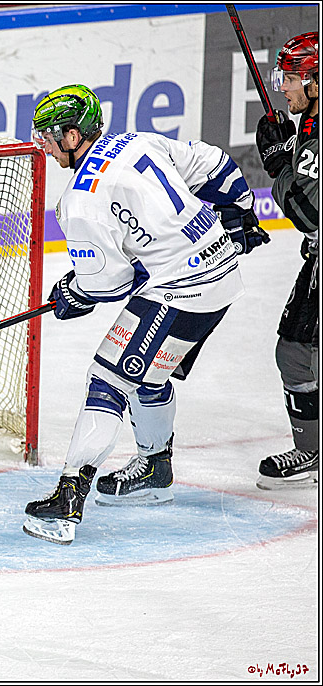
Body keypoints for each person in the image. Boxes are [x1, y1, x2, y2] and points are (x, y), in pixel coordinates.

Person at [24, 84, 266, 544]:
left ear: (75, 135)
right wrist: (239, 214)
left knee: (109, 377)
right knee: (147, 375)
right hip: (220, 277)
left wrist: (74, 293)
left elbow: (109, 284)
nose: (46, 146)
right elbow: (215, 163)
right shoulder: (138, 140)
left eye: (51, 136)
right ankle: (154, 469)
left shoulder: (80, 201)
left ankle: (68, 496)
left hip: (182, 290)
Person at [254, 31, 319, 490]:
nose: (283, 88)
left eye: (291, 79)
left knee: (295, 353)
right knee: (298, 352)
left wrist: (278, 165)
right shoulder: (311, 129)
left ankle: (312, 450)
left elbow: (305, 211)